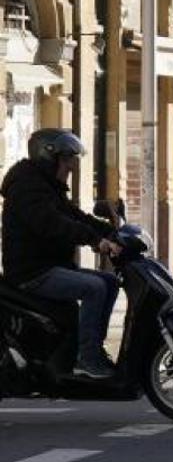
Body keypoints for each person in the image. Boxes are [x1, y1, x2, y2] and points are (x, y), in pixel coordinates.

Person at [0, 129, 122, 379]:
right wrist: (94, 240)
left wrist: (111, 233)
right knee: (94, 288)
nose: (72, 168)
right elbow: (53, 223)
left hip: (51, 266)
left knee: (109, 282)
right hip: (32, 272)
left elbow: (73, 215)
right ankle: (85, 359)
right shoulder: (27, 188)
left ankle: (93, 350)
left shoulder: (46, 186)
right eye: (68, 160)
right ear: (50, 157)